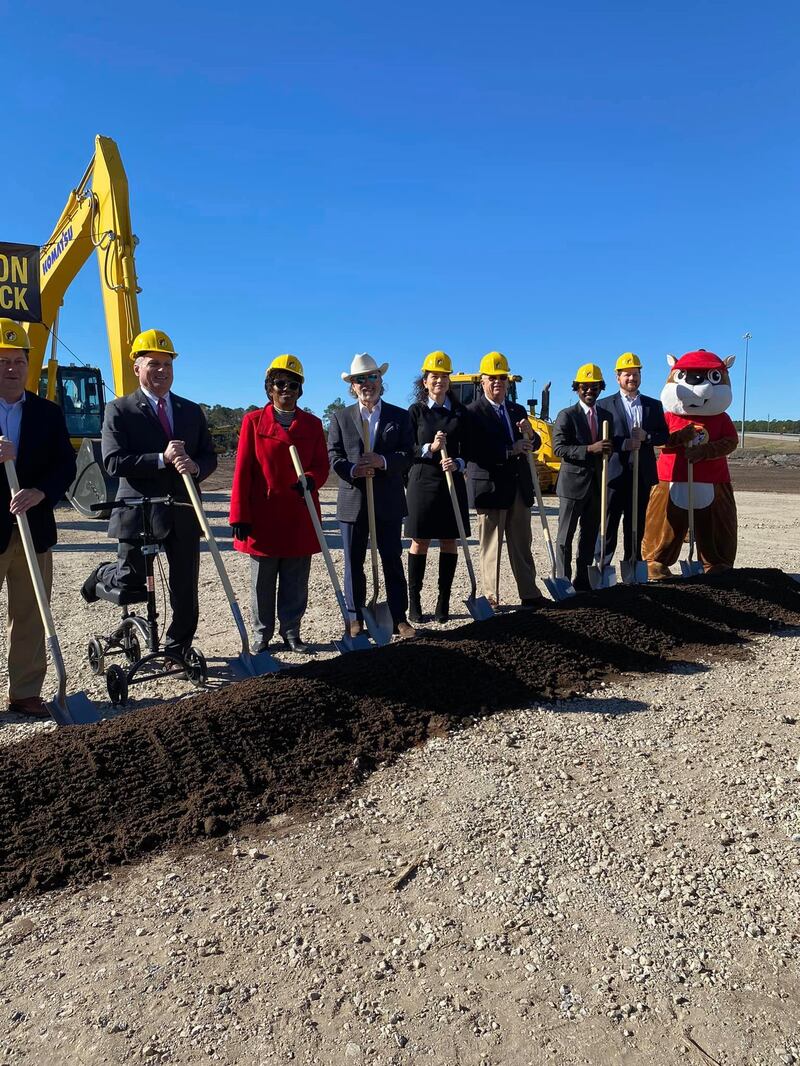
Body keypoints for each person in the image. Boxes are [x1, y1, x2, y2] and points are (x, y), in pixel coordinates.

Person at [81, 329, 217, 657]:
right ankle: (103, 573)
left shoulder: (190, 410)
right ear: (137, 368)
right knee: (130, 582)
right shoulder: (120, 409)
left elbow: (208, 455)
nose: (162, 370)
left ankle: (176, 648)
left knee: (185, 588)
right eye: (153, 363)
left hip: (183, 510)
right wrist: (161, 459)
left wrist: (196, 467)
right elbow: (113, 462)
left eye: (167, 364)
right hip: (139, 510)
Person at [0, 319, 77, 719]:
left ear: (28, 366)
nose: (11, 368)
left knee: (31, 613)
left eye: (17, 361)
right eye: (2, 360)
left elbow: (65, 465)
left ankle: (26, 690)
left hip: (34, 528)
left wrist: (41, 492)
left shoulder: (47, 413)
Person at [228, 354, 329, 653]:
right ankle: (261, 633)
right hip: (264, 517)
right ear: (269, 388)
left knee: (296, 579)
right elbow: (243, 470)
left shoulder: (312, 424)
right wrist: (239, 516)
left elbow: (322, 466)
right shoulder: (253, 422)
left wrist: (311, 479)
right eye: (279, 383)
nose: (286, 389)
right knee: (262, 582)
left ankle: (291, 630)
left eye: (293, 384)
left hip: (299, 514)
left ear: (301, 390)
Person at [327, 353, 416, 640]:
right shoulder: (340, 418)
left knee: (391, 558)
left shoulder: (399, 417)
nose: (367, 383)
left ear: (381, 380)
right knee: (354, 562)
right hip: (353, 502)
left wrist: (383, 461)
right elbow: (334, 456)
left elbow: (407, 454)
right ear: (352, 385)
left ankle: (398, 615)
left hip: (388, 501)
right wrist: (353, 469)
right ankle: (354, 617)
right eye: (360, 379)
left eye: (372, 377)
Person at [466, 351, 541, 608]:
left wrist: (530, 436)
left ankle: (529, 592)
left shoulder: (516, 409)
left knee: (522, 543)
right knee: (491, 546)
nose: (497, 382)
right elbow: (474, 449)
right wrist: (510, 450)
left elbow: (535, 443)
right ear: (482, 381)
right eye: (491, 378)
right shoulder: (473, 413)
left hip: (518, 487)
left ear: (507, 382)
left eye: (501, 378)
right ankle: (491, 597)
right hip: (490, 487)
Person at [405, 351, 471, 623]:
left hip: (450, 482)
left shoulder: (460, 413)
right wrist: (429, 448)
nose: (439, 381)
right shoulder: (416, 412)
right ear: (425, 381)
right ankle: (415, 603)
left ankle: (443, 601)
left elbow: (470, 447)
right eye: (434, 376)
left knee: (448, 539)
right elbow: (406, 448)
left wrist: (459, 462)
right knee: (419, 540)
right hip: (423, 481)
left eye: (444, 376)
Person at [596, 352, 669, 565]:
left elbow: (664, 435)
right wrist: (624, 444)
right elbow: (601, 438)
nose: (631, 379)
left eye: (635, 374)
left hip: (642, 474)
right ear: (617, 377)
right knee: (608, 522)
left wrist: (647, 437)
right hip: (614, 474)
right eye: (627, 374)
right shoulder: (603, 406)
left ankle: (633, 563)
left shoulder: (653, 406)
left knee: (635, 522)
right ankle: (602, 563)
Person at [552, 363, 613, 591]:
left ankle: (583, 579)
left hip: (597, 486)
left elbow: (609, 446)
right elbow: (559, 448)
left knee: (589, 536)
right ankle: (563, 581)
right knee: (564, 538)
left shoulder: (606, 416)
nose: (590, 391)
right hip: (572, 487)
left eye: (594, 387)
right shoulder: (567, 415)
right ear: (577, 388)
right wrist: (589, 449)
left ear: (600, 388)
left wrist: (608, 449)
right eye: (585, 387)